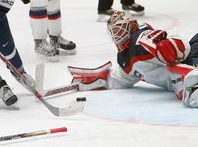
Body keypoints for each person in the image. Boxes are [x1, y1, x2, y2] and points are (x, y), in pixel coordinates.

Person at [68, 11, 198, 108]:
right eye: (114, 33)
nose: (117, 36)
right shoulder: (126, 57)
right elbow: (122, 78)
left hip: (193, 45)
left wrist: (166, 48)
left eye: (120, 30)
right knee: (181, 87)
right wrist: (101, 79)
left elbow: (180, 48)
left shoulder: (140, 39)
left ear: (131, 26)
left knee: (182, 82)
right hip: (183, 67)